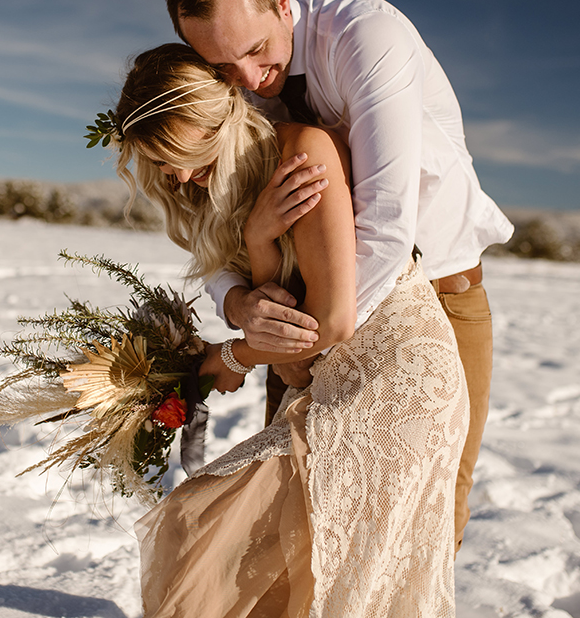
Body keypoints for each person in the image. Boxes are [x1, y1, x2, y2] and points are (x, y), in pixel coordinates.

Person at [164, 0, 513, 552]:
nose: (248, 80)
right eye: (223, 68)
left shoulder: (365, 37)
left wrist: (267, 349)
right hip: (299, 308)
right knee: (291, 522)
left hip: (433, 306)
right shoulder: (221, 83)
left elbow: (385, 227)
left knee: (425, 514)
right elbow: (209, 224)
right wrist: (238, 301)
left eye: (256, 50)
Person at [111, 43, 469, 617]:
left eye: (182, 154)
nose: (176, 176)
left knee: (198, 527)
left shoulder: (305, 150)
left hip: (396, 383)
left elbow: (327, 323)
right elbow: (292, 348)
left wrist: (230, 357)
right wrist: (256, 242)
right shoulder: (235, 191)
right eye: (159, 162)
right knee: (247, 554)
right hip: (329, 377)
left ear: (220, 121)